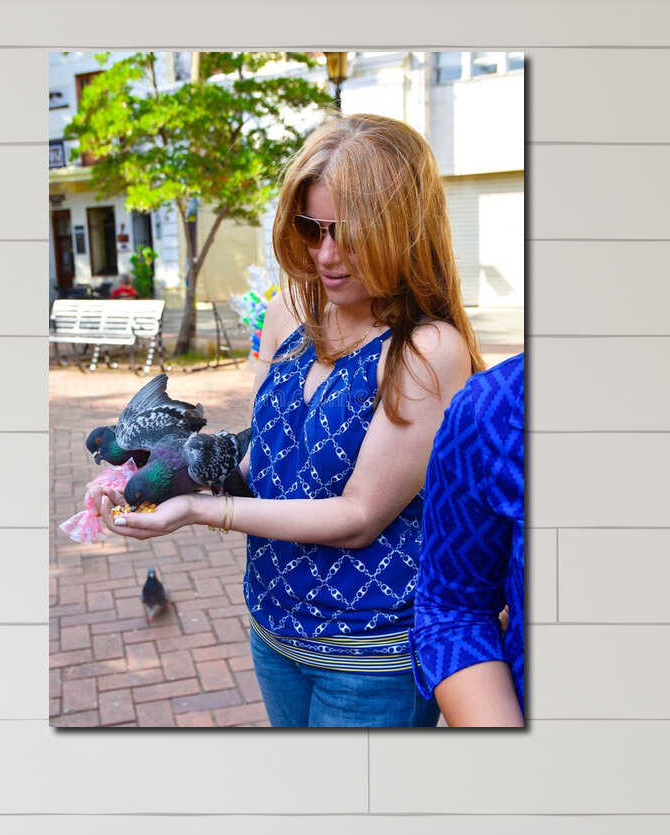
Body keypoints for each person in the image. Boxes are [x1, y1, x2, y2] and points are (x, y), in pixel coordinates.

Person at [96, 114, 482, 726]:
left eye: (349, 234)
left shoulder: (427, 349)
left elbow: (357, 517)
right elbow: (265, 460)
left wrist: (200, 511)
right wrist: (165, 476)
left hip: (370, 655)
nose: (325, 255)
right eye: (310, 227)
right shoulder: (289, 312)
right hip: (274, 629)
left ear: (404, 231)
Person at [412, 352, 525, 726]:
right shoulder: (500, 407)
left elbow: (361, 512)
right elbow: (456, 608)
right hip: (286, 623)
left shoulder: (432, 348)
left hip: (366, 635)